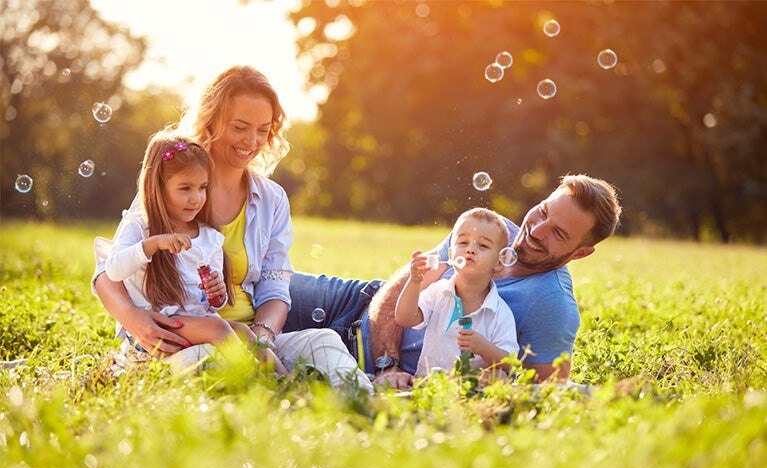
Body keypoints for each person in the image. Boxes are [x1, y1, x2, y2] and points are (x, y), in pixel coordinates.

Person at [93, 66, 372, 392]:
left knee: (323, 341)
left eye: (263, 130)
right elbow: (107, 270)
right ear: (211, 121)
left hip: (248, 338)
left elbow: (275, 287)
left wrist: (263, 339)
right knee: (212, 362)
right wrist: (133, 320)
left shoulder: (271, 199)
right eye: (240, 127)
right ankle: (281, 398)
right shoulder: (175, 184)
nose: (252, 141)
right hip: (185, 340)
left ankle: (366, 405)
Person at [283, 174, 622, 389]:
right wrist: (388, 363)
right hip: (357, 301)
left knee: (256, 342)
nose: (536, 230)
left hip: (363, 360)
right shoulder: (492, 228)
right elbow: (402, 285)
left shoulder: (553, 306)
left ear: (580, 253)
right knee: (258, 287)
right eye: (544, 211)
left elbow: (545, 392)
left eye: (558, 233)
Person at [102, 130, 285, 373]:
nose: (196, 198)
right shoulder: (140, 226)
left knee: (243, 332)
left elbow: (213, 305)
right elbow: (113, 270)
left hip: (195, 322)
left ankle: (284, 381)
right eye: (185, 188)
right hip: (159, 327)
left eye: (202, 187)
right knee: (219, 330)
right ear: (157, 186)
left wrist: (217, 294)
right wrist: (153, 244)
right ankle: (252, 380)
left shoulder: (208, 236)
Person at [395, 208, 518, 377]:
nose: (471, 249)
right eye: (463, 242)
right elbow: (404, 318)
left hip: (471, 391)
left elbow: (511, 363)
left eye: (483, 245)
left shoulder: (499, 313)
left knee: (499, 376)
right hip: (430, 387)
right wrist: (414, 282)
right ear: (451, 253)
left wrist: (484, 347)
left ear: (498, 263)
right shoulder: (438, 292)